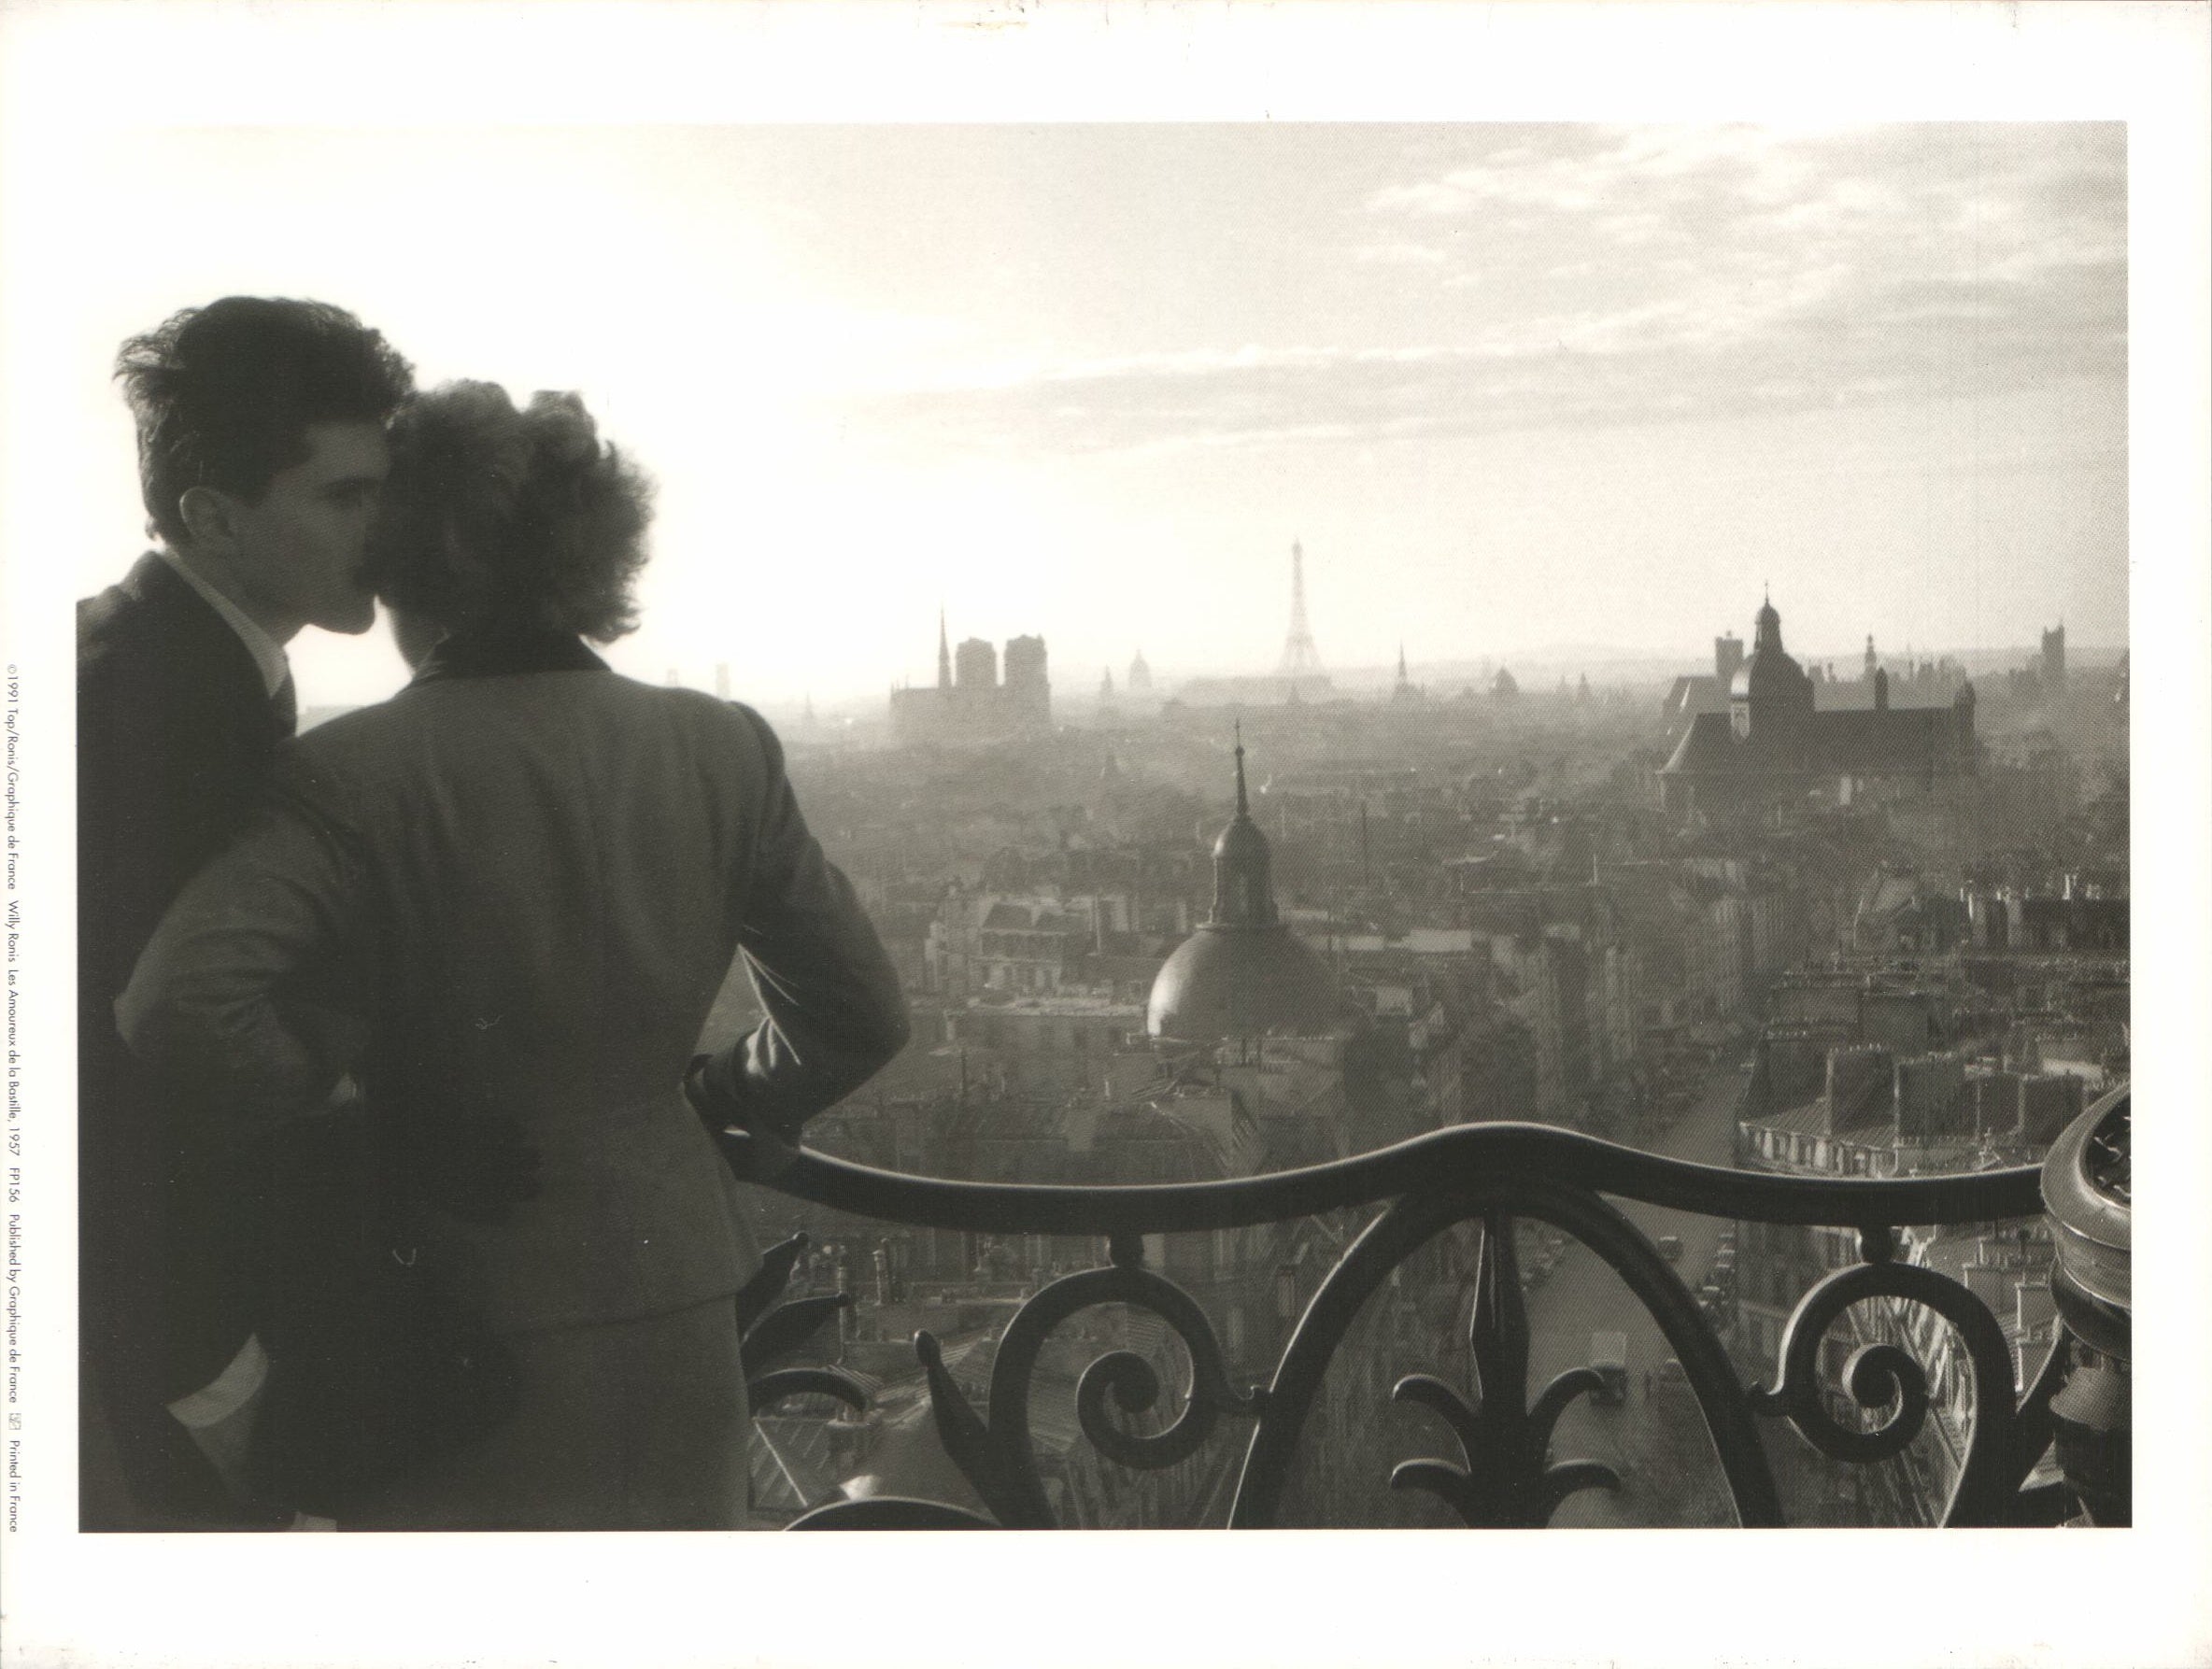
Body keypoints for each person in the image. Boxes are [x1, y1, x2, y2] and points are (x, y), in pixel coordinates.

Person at [119, 380, 910, 1529]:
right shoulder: (717, 746)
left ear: (407, 561)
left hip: (452, 1312)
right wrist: (711, 1097)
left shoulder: (354, 773)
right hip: (679, 1286)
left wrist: (346, 1108)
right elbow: (860, 1015)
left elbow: (178, 1004)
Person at [78, 296, 414, 1529]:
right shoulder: (177, 711)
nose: (385, 530)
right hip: (173, 1326)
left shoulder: (133, 658)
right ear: (211, 514)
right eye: (343, 495)